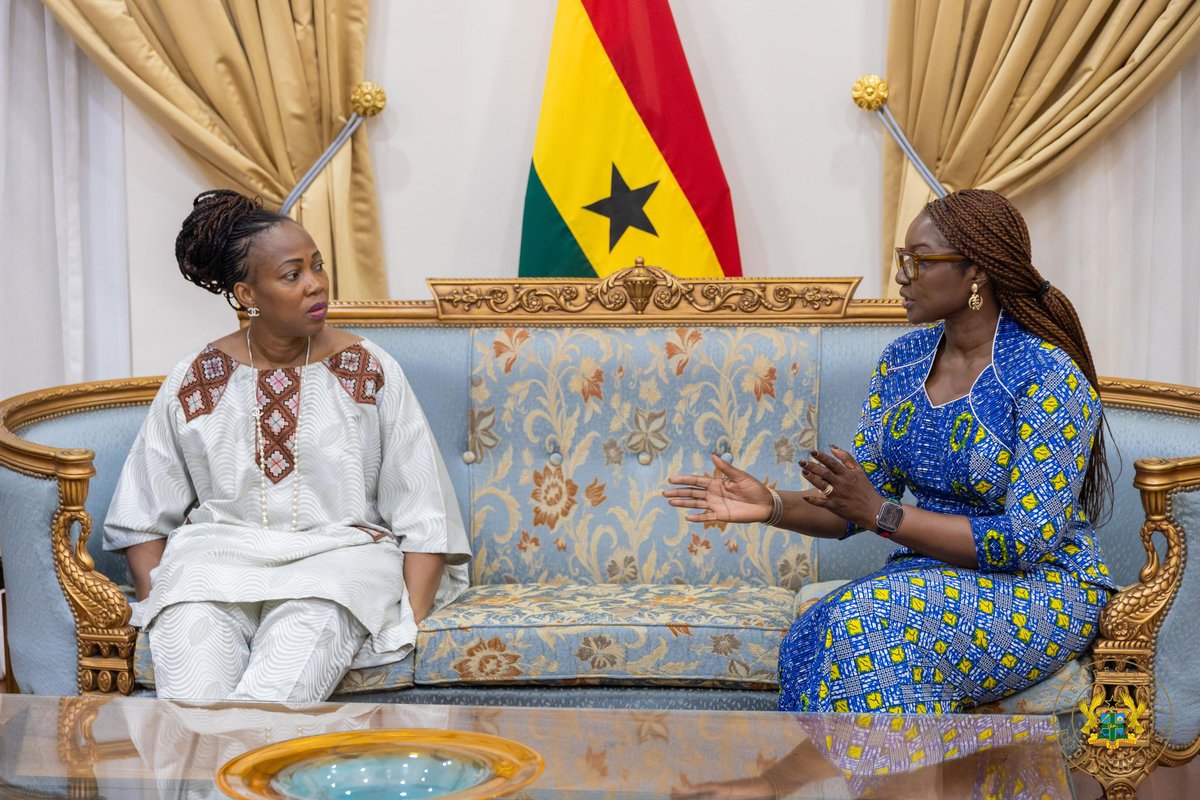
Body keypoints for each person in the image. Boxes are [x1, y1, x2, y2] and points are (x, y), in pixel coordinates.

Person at [665, 189, 1113, 714]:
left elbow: (1023, 541)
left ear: (977, 272)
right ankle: (881, 764)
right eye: (903, 259)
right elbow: (854, 505)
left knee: (867, 620)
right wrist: (773, 504)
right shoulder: (902, 361)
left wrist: (883, 513)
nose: (901, 276)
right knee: (817, 631)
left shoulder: (1048, 375)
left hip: (1041, 590)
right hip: (929, 577)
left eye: (918, 261)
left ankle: (872, 763)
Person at [104, 190, 470, 703]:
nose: (316, 283)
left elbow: (423, 509)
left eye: (317, 266)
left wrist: (405, 620)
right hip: (212, 569)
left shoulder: (367, 371)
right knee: (190, 701)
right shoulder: (197, 378)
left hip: (336, 570)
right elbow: (143, 512)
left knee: (270, 701)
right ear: (247, 294)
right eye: (292, 274)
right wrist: (160, 601)